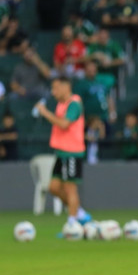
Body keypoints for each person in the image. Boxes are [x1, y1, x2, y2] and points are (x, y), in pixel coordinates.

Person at [34, 77, 93, 230]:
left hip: (72, 152)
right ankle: (79, 213)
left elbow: (64, 124)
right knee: (53, 187)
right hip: (61, 152)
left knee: (70, 188)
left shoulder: (74, 104)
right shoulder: (61, 104)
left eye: (55, 88)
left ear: (66, 87)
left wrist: (45, 113)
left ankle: (72, 225)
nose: (53, 93)